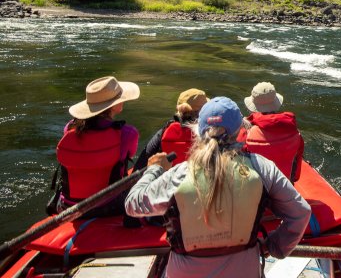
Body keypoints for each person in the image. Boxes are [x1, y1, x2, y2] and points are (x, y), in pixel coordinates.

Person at [125, 97, 311, 278]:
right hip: (245, 271)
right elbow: (300, 213)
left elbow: (132, 204)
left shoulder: (179, 174)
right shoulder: (261, 167)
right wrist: (273, 246)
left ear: (199, 130)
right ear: (240, 130)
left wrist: (154, 170)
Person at [52, 76, 140, 217]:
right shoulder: (128, 133)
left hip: (67, 207)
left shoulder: (69, 128)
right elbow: (129, 154)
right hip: (108, 206)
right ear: (114, 105)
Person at [238, 82, 305, 183]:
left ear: (253, 106)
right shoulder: (295, 133)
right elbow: (295, 174)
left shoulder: (246, 134)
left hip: (257, 191)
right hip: (285, 187)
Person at [133, 88, 208, 170]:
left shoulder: (163, 133)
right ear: (204, 111)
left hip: (167, 179)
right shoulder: (210, 134)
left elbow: (141, 163)